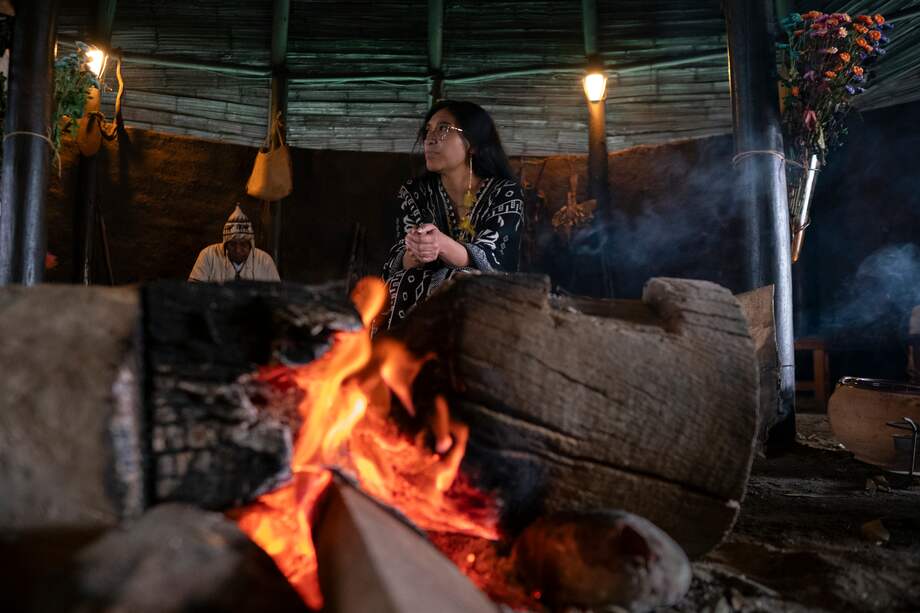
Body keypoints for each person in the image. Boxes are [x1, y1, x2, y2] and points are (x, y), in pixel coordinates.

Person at [381, 100, 524, 329]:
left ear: (473, 144)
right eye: (428, 130)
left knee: (458, 280)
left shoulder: (504, 193)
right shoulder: (414, 192)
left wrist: (440, 244)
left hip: (484, 299)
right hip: (418, 293)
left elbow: (496, 262)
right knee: (398, 283)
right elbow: (395, 261)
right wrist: (416, 251)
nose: (430, 139)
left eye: (444, 128)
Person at [188, 205, 280, 282]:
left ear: (251, 245)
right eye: (232, 244)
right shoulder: (208, 255)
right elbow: (194, 290)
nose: (238, 250)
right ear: (225, 244)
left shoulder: (265, 261)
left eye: (243, 245)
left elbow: (276, 294)